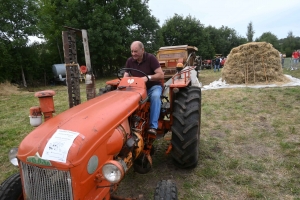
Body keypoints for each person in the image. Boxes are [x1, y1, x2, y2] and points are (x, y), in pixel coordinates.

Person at [124, 41, 164, 135]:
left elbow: (161, 75)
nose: (133, 54)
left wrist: (148, 78)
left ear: (142, 50)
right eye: (132, 51)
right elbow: (125, 76)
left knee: (155, 96)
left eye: (136, 51)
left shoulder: (151, 58)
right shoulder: (130, 61)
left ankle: (153, 126)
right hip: (137, 89)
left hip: (152, 87)